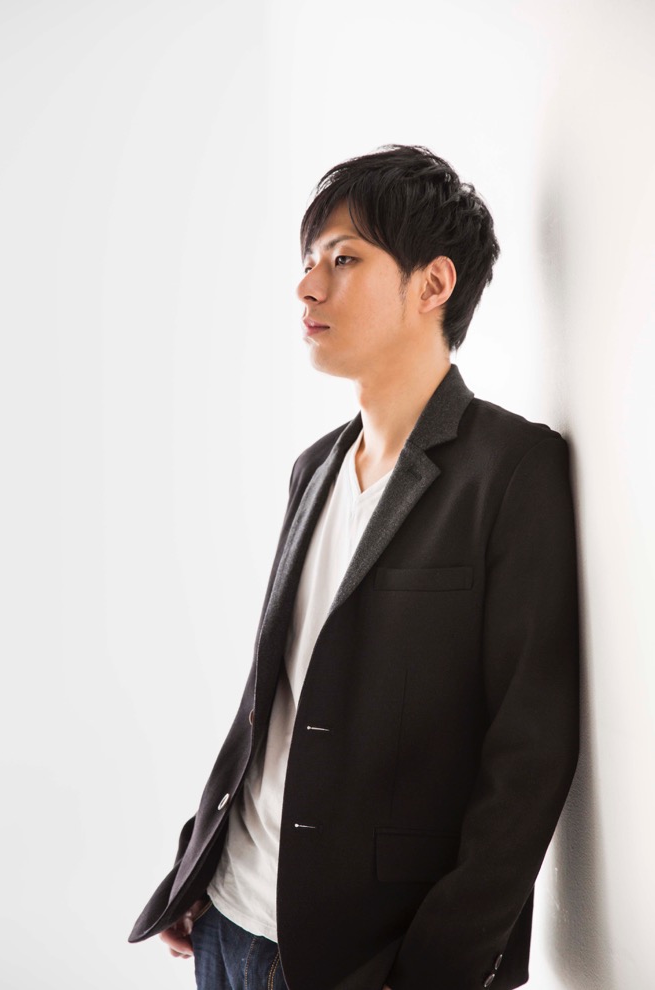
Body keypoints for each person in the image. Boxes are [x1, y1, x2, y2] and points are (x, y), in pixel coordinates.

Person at [128, 144, 580, 990]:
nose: (308, 287)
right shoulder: (315, 468)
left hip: (359, 956)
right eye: (309, 261)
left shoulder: (512, 470)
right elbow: (277, 695)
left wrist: (438, 967)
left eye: (344, 260)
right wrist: (200, 858)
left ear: (433, 284)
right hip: (226, 921)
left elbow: (529, 755)